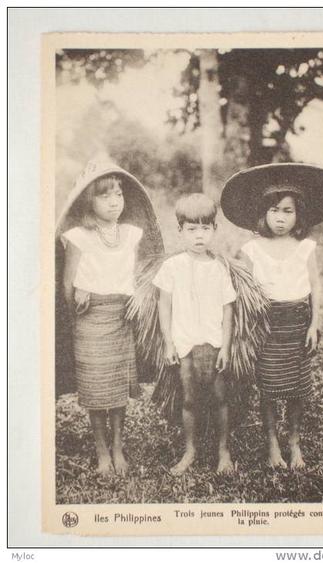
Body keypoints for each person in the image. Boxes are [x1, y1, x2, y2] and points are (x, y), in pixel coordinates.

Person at [220, 163, 323, 470]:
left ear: (298, 214)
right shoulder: (252, 249)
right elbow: (244, 295)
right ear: (263, 213)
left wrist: (314, 324)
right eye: (274, 210)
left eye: (288, 211)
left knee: (297, 389)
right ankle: (273, 444)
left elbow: (315, 286)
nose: (280, 218)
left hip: (298, 324)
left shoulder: (305, 248)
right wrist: (246, 331)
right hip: (266, 326)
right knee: (269, 388)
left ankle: (294, 443)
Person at [59, 161, 162, 476]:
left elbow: (142, 276)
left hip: (122, 317)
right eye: (105, 196)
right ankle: (101, 451)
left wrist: (137, 300)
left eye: (118, 194)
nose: (115, 201)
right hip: (89, 319)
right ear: (90, 201)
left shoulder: (131, 234)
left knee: (117, 388)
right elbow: (67, 283)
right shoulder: (79, 237)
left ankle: (118, 447)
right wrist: (79, 296)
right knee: (95, 388)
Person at [152, 193, 237, 475]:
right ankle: (190, 449)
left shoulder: (219, 268)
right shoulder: (171, 267)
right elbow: (164, 305)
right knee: (189, 398)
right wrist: (168, 342)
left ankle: (223, 451)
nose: (199, 236)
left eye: (205, 228)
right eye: (192, 229)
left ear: (214, 229)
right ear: (180, 231)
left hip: (212, 343)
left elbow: (228, 310)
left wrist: (225, 347)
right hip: (184, 343)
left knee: (219, 396)